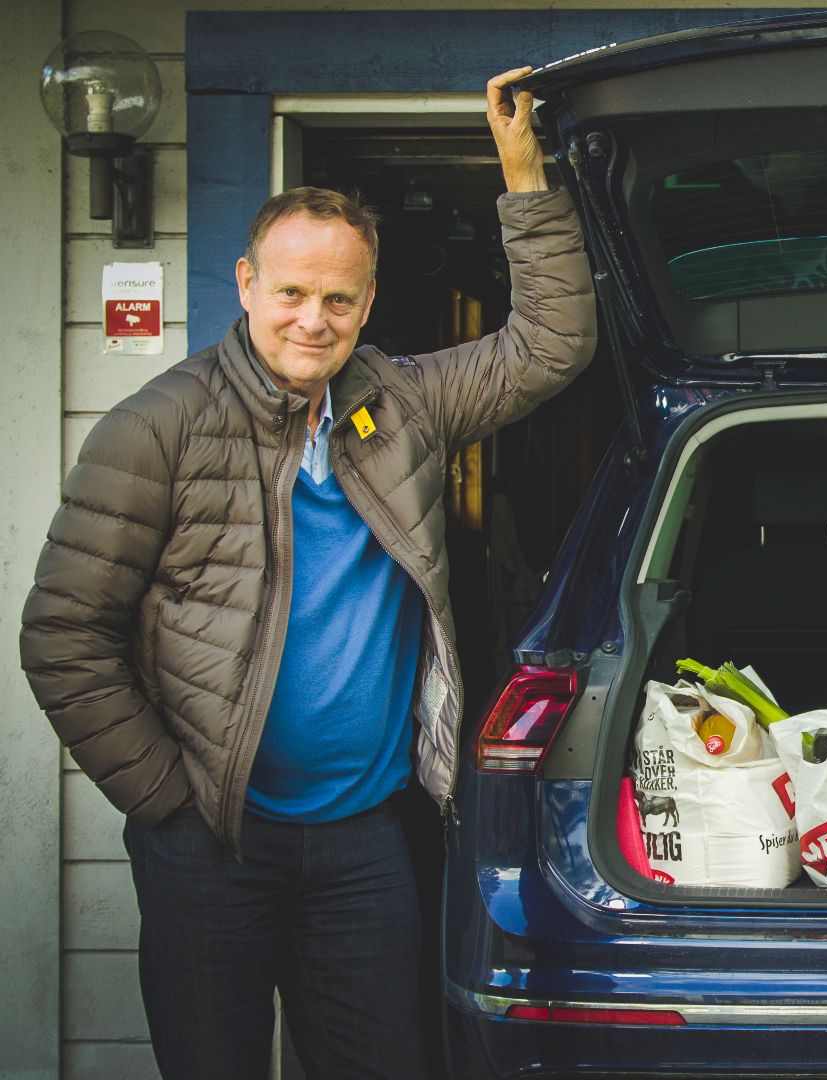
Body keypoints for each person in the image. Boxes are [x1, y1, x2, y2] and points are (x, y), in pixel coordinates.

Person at [18, 68, 596, 1079]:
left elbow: (551, 344)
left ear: (368, 300)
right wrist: (164, 799)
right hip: (211, 838)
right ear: (247, 285)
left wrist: (523, 171)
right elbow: (65, 634)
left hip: (363, 841)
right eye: (290, 293)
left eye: (338, 298)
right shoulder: (159, 427)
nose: (311, 321)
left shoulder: (404, 404)